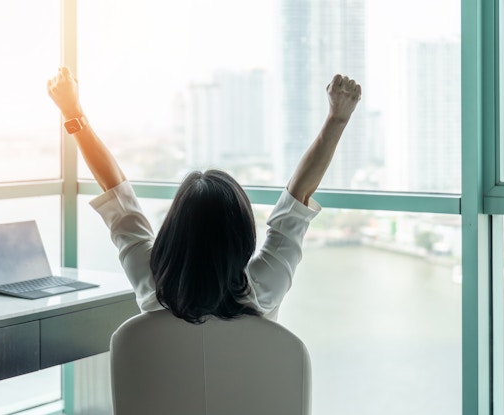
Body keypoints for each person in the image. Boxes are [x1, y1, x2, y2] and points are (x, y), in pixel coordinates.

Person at [47, 67, 361, 323]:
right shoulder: (265, 287)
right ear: (241, 236)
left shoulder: (149, 279)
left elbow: (115, 190)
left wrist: (72, 111)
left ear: (173, 228)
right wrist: (337, 119)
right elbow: (297, 199)